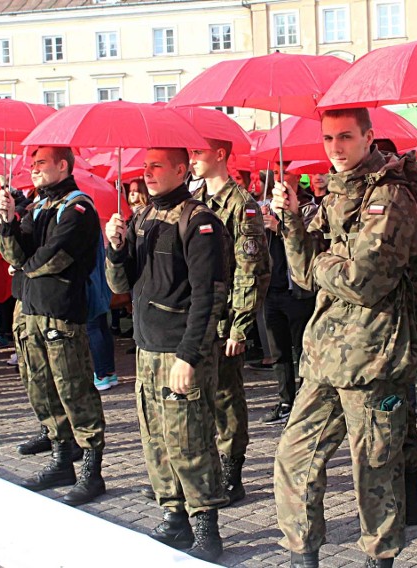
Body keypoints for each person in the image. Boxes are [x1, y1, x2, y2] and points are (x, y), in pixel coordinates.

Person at [272, 107, 417, 568]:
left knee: (374, 472)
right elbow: (302, 277)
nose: (335, 148)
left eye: (345, 137)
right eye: (327, 139)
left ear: (368, 138)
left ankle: (380, 559)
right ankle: (303, 555)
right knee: (294, 460)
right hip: (325, 355)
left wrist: (325, 260)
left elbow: (364, 282)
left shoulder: (389, 198)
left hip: (375, 357)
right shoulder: (338, 195)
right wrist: (293, 222)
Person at [105, 147, 228, 562]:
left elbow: (209, 295)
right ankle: (173, 518)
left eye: (157, 165)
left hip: (179, 352)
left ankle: (206, 526)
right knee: (156, 441)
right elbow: (121, 285)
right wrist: (117, 248)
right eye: (146, 165)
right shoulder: (141, 219)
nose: (148, 172)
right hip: (147, 347)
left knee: (190, 442)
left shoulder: (198, 220)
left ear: (180, 169)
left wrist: (189, 355)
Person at [0, 146, 107, 506]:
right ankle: (61, 458)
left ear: (62, 165)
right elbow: (13, 253)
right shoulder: (38, 206)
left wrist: (22, 265)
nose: (34, 169)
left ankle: (92, 472)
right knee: (39, 387)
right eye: (32, 164)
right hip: (29, 310)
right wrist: (7, 222)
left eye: (41, 163)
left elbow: (55, 257)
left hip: (59, 313)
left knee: (74, 390)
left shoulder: (77, 207)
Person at [189, 138, 271, 505]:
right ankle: (204, 470)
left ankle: (231, 471)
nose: (192, 161)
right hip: (198, 314)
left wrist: (240, 324)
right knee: (197, 397)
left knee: (225, 397)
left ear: (219, 155)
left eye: (198, 153)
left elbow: (251, 270)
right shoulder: (195, 202)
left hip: (224, 319)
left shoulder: (242, 205)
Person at [258, 165, 316, 425]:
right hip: (272, 289)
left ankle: (306, 401)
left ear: (296, 177)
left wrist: (280, 227)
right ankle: (285, 400)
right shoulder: (266, 207)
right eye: (275, 175)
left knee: (302, 349)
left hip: (298, 291)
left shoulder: (308, 206)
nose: (280, 179)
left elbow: (309, 242)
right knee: (278, 351)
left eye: (286, 173)